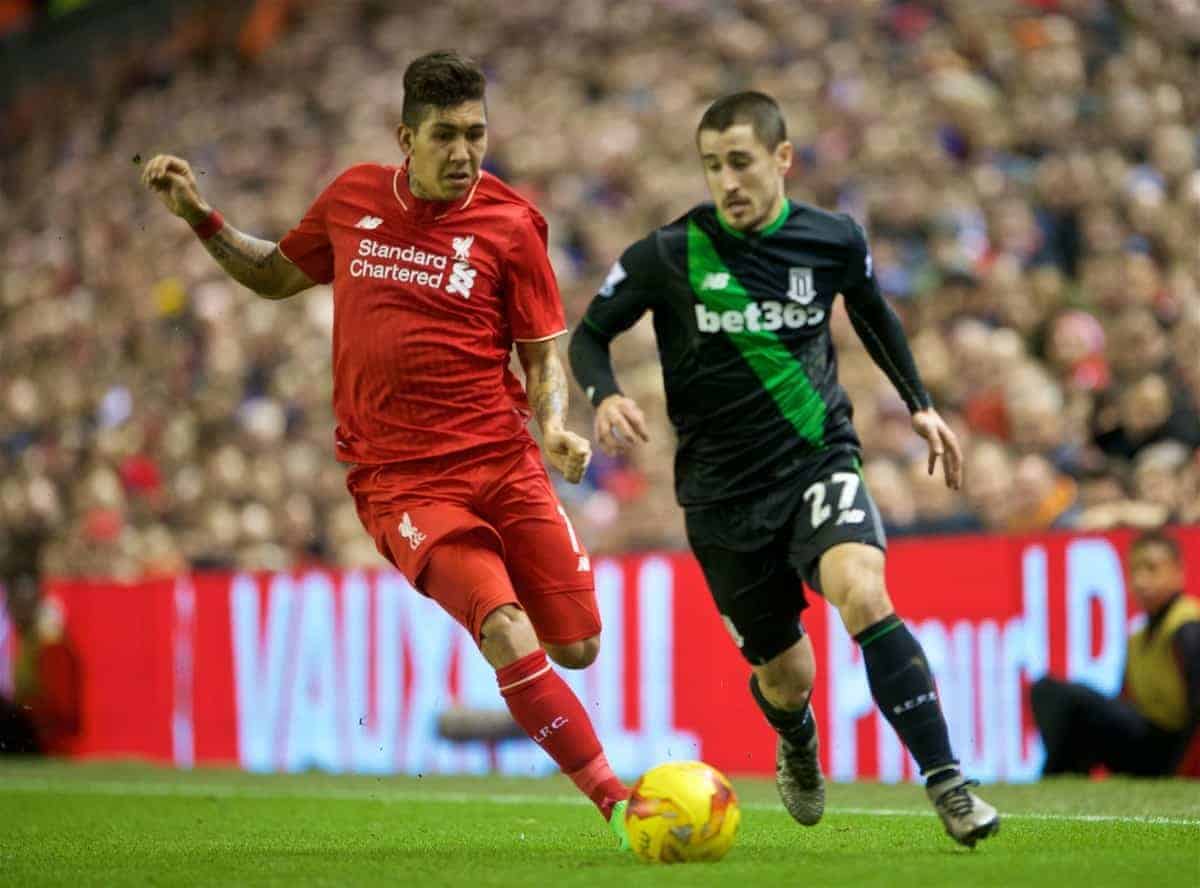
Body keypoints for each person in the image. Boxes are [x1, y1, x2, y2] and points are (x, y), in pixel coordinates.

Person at [141, 51, 631, 845]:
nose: (465, 153)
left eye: (476, 133)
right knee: (504, 625)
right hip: (403, 483)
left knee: (577, 645)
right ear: (406, 136)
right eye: (446, 136)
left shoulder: (512, 225)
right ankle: (622, 804)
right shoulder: (353, 199)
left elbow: (543, 352)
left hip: (504, 462)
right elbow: (272, 276)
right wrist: (202, 215)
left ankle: (525, 703)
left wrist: (552, 425)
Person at [570, 91, 999, 847]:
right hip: (720, 496)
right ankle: (796, 736)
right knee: (786, 678)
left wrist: (921, 403)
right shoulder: (669, 253)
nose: (727, 181)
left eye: (740, 162)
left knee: (863, 591)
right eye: (712, 166)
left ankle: (948, 782)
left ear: (782, 159)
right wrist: (602, 395)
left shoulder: (831, 239)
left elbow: (872, 311)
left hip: (817, 460)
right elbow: (590, 335)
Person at [1031, 530, 1200, 777]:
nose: (1141, 581)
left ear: (1178, 572)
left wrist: (1181, 772)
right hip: (1147, 743)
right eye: (1134, 571)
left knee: (1059, 695)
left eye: (1152, 569)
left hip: (1172, 751)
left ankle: (1056, 774)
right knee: (1054, 695)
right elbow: (1127, 702)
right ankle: (1065, 774)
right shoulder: (1138, 638)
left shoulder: (1188, 628)